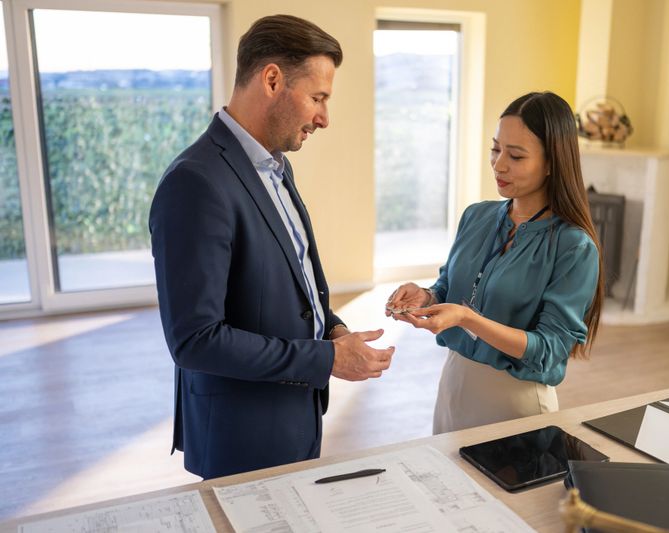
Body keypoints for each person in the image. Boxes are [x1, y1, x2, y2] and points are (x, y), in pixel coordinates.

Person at [150, 14, 394, 479]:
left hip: (293, 417)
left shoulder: (276, 167)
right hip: (241, 438)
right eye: (318, 98)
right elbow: (195, 340)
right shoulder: (195, 182)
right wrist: (327, 359)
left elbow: (291, 283)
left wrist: (334, 331)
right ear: (272, 79)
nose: (325, 117)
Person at [385, 91, 603, 434]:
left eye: (516, 156)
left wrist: (470, 319)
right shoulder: (476, 216)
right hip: (453, 386)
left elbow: (549, 349)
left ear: (551, 163)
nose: (499, 164)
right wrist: (426, 296)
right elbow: (449, 287)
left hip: (516, 406)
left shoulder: (573, 246)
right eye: (496, 149)